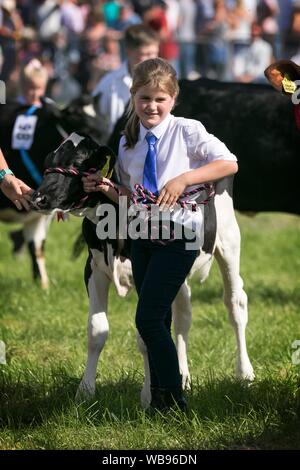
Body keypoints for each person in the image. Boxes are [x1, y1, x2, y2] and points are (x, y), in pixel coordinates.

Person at [83, 58, 238, 412]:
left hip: (180, 237)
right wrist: (106, 187)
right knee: (160, 318)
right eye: (144, 99)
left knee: (147, 318)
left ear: (173, 99)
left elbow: (229, 162)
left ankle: (174, 401)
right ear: (133, 97)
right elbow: (131, 197)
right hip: (142, 239)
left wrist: (184, 178)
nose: (151, 106)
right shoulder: (127, 144)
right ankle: (159, 397)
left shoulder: (187, 130)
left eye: (159, 99)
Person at [92, 23, 159, 142]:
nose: (152, 59)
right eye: (145, 54)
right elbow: (96, 121)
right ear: (129, 52)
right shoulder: (109, 84)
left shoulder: (165, 84)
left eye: (154, 53)